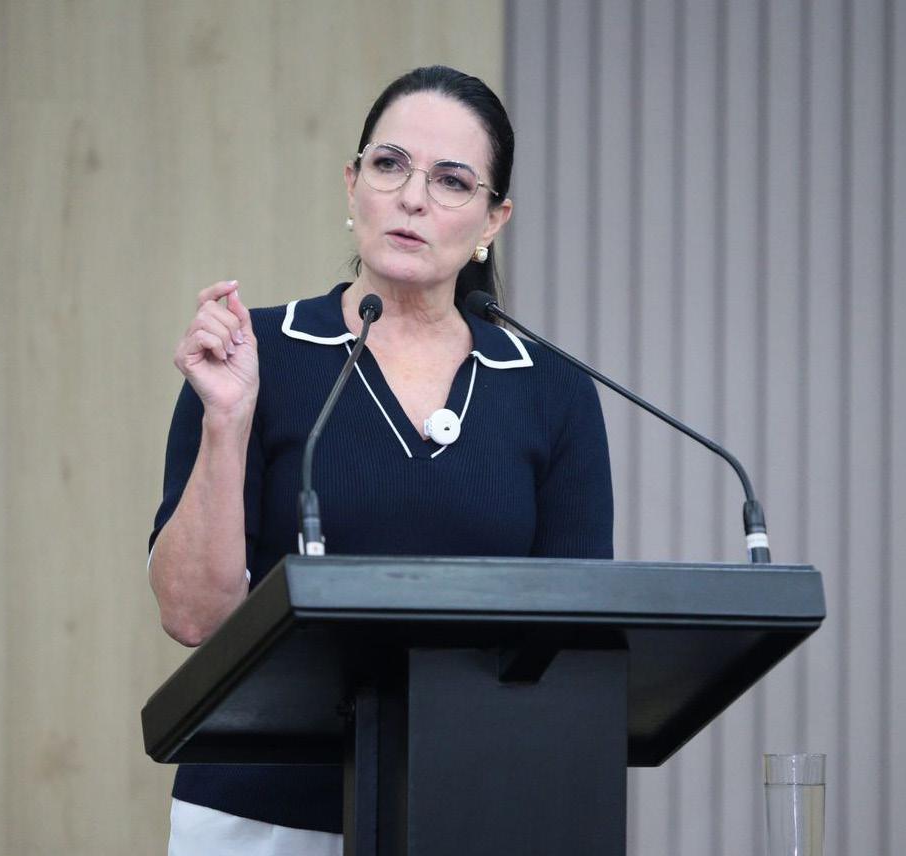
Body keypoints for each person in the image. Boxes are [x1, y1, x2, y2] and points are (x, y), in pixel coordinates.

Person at [148, 65, 613, 855]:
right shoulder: (253, 356)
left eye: (451, 180)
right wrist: (225, 418)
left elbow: (574, 639)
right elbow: (193, 618)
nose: (412, 198)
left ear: (493, 220)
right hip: (263, 817)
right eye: (390, 165)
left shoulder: (549, 389)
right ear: (352, 183)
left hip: (474, 811)